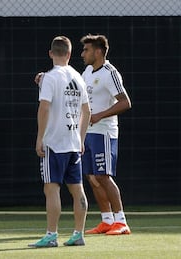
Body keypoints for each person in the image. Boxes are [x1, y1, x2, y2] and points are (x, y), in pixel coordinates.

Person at [28, 36, 91, 248]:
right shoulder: (78, 77)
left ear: (50, 53)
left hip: (54, 143)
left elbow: (44, 107)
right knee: (77, 189)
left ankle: (51, 234)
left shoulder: (50, 77)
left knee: (51, 188)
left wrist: (40, 138)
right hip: (73, 142)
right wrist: (81, 139)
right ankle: (78, 233)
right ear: (70, 54)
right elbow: (87, 111)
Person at [80, 34, 132, 235]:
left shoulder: (110, 73)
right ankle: (107, 220)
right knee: (92, 177)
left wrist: (99, 115)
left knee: (103, 175)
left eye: (87, 50)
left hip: (104, 133)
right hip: (87, 132)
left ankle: (121, 221)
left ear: (98, 51)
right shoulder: (86, 71)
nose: (83, 53)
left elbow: (125, 102)